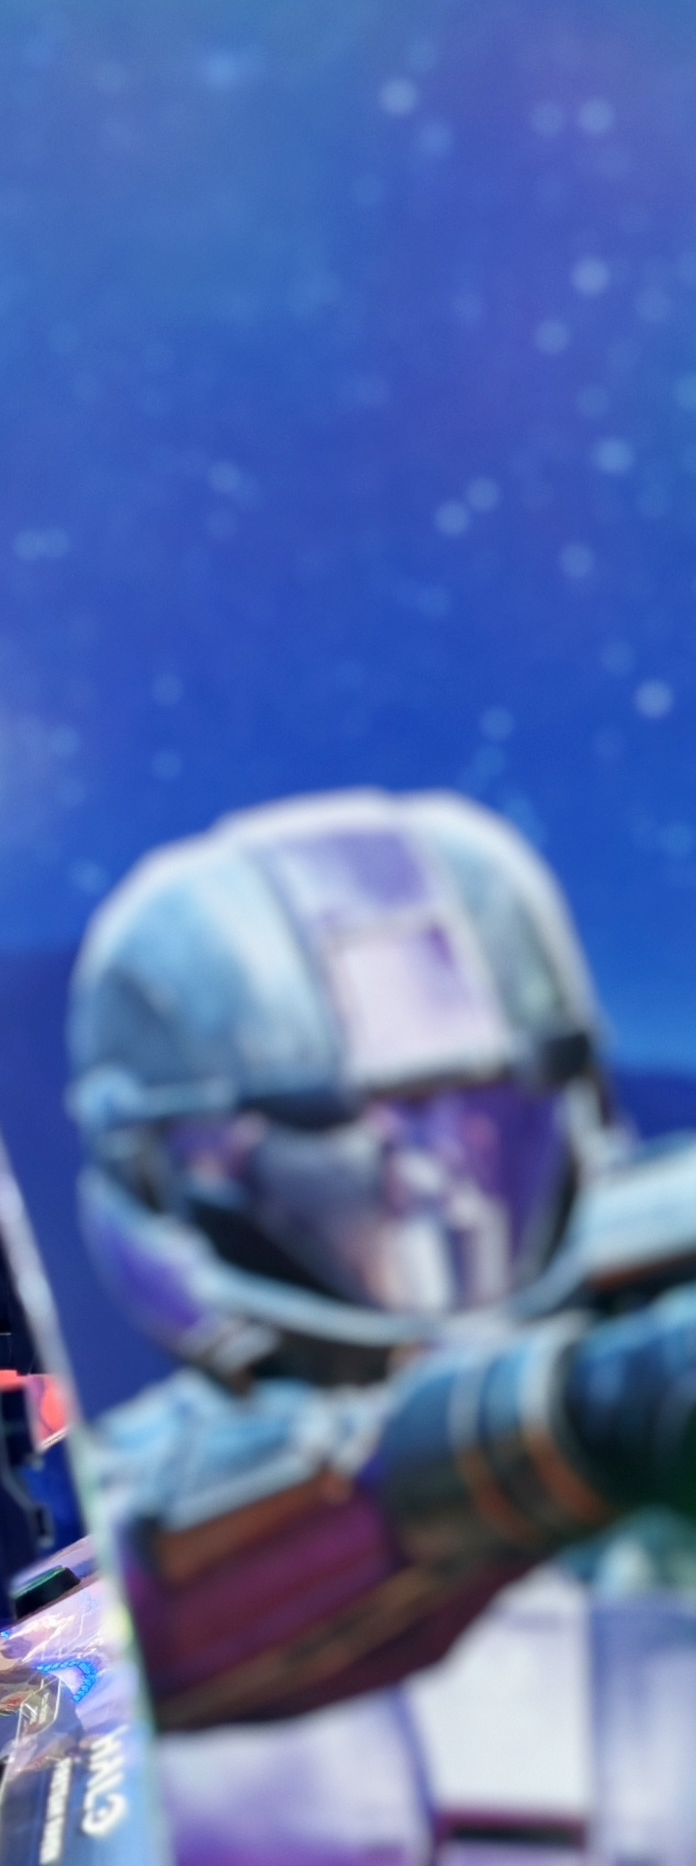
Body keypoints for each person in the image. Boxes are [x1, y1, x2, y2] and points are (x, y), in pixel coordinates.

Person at [66, 789, 696, 1861]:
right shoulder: (143, 1506)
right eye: (351, 1135)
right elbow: (121, 1634)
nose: (438, 1181)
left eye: (483, 1120)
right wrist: (587, 1411)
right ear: (180, 1172)